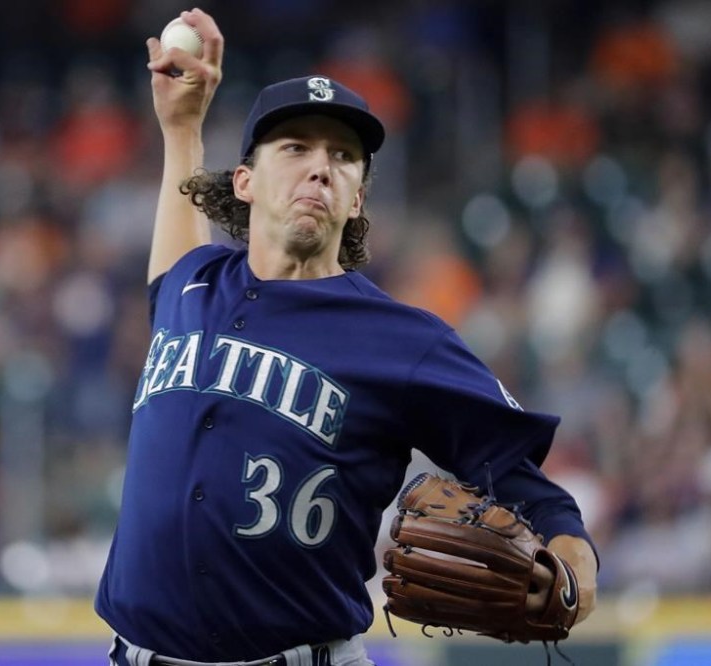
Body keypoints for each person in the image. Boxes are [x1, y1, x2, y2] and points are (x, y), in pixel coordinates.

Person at [96, 7, 598, 666]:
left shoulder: (400, 338)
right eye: (295, 148)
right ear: (243, 180)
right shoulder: (192, 285)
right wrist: (181, 126)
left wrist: (573, 558)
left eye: (342, 157)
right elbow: (171, 261)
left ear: (357, 196)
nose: (320, 168)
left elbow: (515, 472)